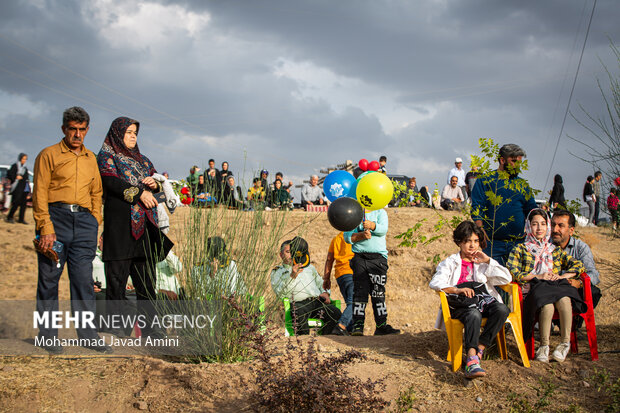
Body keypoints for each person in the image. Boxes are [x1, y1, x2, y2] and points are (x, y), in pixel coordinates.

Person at [33, 106, 109, 354]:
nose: (77, 134)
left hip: (84, 224)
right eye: (73, 129)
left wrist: (94, 220)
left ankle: (88, 337)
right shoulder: (48, 155)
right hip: (56, 220)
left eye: (82, 130)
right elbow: (40, 193)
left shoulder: (91, 160)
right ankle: (47, 337)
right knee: (48, 279)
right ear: (64, 129)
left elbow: (97, 192)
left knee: (83, 282)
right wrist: (45, 227)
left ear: (87, 130)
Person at [97, 116, 173, 338]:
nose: (132, 136)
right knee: (116, 282)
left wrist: (155, 184)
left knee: (147, 283)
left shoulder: (144, 161)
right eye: (128, 132)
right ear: (117, 133)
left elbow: (159, 192)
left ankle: (152, 331)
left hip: (145, 230)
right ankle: (116, 329)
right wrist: (140, 192)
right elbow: (111, 182)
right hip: (120, 229)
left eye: (135, 133)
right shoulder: (106, 157)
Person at [429, 221, 511, 378]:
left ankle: (479, 349)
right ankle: (472, 359)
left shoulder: (482, 262)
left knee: (502, 309)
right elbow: (435, 283)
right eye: (467, 241)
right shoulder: (451, 262)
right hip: (462, 306)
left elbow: (506, 278)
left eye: (475, 241)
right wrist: (458, 289)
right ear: (459, 242)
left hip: (483, 302)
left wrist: (487, 261)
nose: (472, 246)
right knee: (473, 314)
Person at [506, 209, 585, 363]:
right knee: (547, 306)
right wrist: (537, 276)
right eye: (534, 224)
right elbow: (513, 272)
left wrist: (562, 276)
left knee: (564, 300)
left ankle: (564, 344)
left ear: (547, 226)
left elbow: (578, 265)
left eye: (543, 224)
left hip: (554, 288)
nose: (539, 228)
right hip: (534, 291)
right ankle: (544, 346)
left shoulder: (554, 250)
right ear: (528, 226)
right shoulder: (521, 249)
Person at [471, 143, 537, 266]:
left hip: (518, 244)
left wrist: (532, 231)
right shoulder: (485, 181)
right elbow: (477, 207)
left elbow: (532, 210)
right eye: (513, 161)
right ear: (502, 160)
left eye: (519, 162)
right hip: (492, 243)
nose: (517, 165)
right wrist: (480, 229)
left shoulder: (522, 185)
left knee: (518, 282)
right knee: (494, 281)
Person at [270, 238, 345, 335]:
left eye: (293, 252)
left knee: (335, 312)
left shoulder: (309, 267)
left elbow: (321, 283)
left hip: (316, 302)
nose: (291, 255)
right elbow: (281, 293)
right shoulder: (278, 271)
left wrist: (326, 292)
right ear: (281, 255)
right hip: (299, 303)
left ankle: (326, 339)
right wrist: (291, 277)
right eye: (288, 252)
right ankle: (303, 342)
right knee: (298, 312)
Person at [344, 207, 399, 336]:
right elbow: (347, 237)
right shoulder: (354, 213)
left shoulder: (381, 212)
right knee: (359, 292)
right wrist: (361, 235)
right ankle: (358, 326)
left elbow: (383, 230)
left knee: (378, 292)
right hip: (359, 258)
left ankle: (381, 325)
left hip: (378, 259)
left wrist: (373, 225)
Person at [550, 210, 602, 312]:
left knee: (593, 292)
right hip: (549, 289)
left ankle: (575, 324)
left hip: (572, 289)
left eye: (561, 226)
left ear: (571, 230)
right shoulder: (543, 246)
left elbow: (593, 274)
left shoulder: (581, 248)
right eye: (553, 225)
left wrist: (579, 283)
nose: (555, 229)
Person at [323, 232, 355, 332]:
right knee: (355, 302)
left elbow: (329, 259)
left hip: (340, 276)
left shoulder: (336, 238)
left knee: (350, 303)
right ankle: (341, 326)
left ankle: (350, 330)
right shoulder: (355, 236)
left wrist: (327, 278)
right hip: (352, 272)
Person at [5, 153, 30, 224]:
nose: (24, 160)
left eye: (25, 159)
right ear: (20, 159)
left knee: (23, 205)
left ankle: (21, 219)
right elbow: (9, 175)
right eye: (23, 159)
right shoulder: (14, 166)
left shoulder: (25, 169)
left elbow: (27, 180)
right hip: (17, 188)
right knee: (16, 203)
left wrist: (28, 191)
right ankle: (9, 217)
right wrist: (16, 177)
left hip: (24, 189)